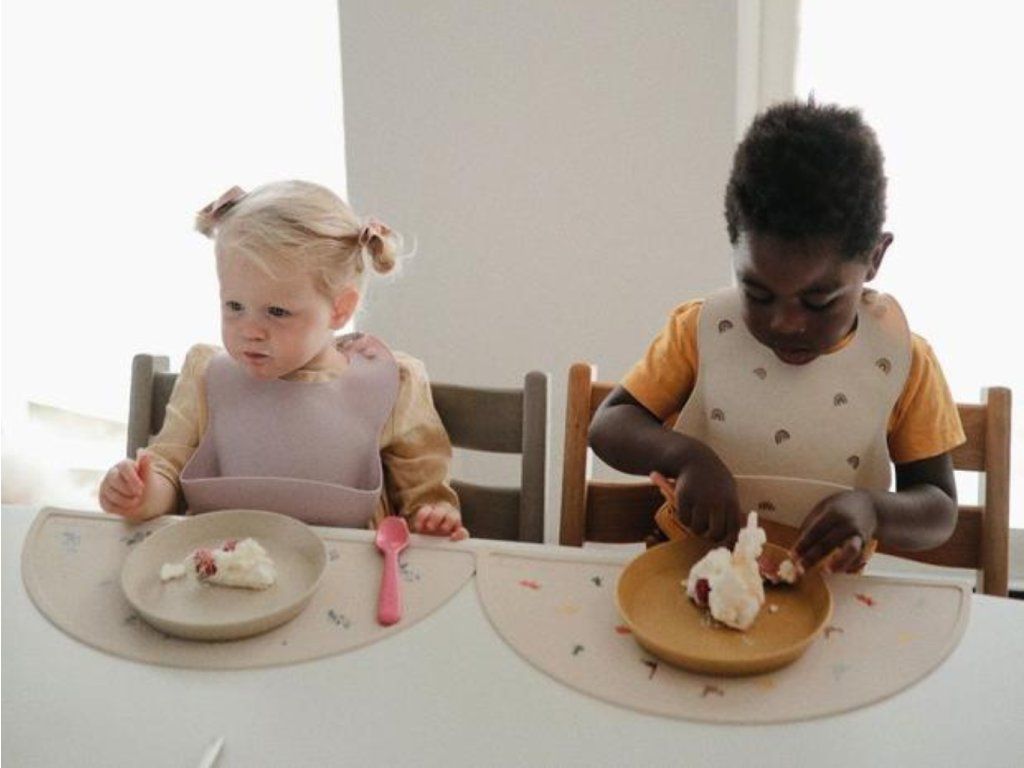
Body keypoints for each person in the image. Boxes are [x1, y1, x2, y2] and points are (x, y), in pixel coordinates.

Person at [588, 100, 964, 572]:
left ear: (874, 258)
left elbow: (938, 508)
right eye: (758, 293)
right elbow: (610, 425)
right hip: (692, 569)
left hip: (826, 586)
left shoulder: (903, 360)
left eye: (818, 300)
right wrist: (686, 458)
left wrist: (874, 510)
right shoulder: (700, 331)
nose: (785, 322)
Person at [99, 181, 467, 540]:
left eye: (276, 312)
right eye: (234, 306)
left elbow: (423, 492)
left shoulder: (391, 382)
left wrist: (432, 514)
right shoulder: (205, 375)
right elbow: (167, 469)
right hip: (220, 568)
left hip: (346, 574)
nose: (250, 331)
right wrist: (141, 494)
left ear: (340, 309)